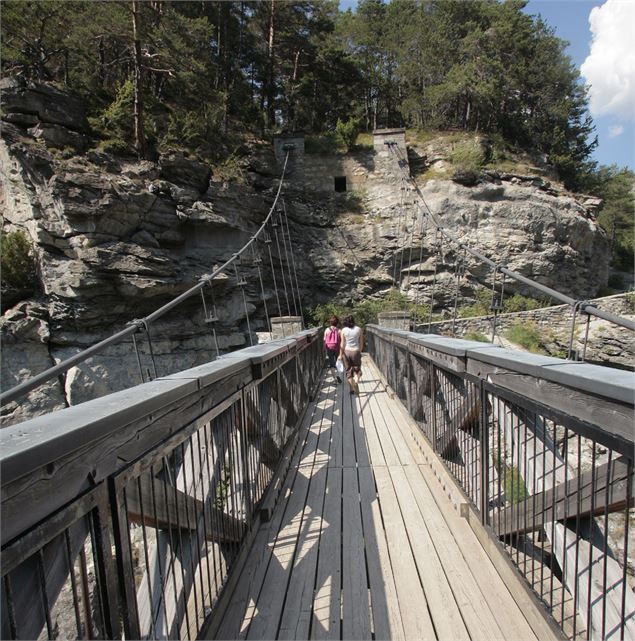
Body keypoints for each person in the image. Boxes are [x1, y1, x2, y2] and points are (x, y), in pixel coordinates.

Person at [340, 315, 363, 394]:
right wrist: (359, 352)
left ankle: (352, 389)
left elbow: (342, 344)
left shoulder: (343, 330)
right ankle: (356, 382)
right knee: (357, 369)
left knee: (348, 371)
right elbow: (361, 343)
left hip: (346, 352)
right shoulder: (359, 329)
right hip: (355, 351)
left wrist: (340, 354)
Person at [323, 315, 342, 382]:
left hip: (329, 348)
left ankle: (334, 379)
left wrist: (324, 349)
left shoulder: (327, 330)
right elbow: (342, 341)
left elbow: (324, 340)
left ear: (330, 323)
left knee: (332, 363)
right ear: (337, 323)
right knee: (338, 362)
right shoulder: (339, 330)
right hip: (337, 348)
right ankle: (338, 375)